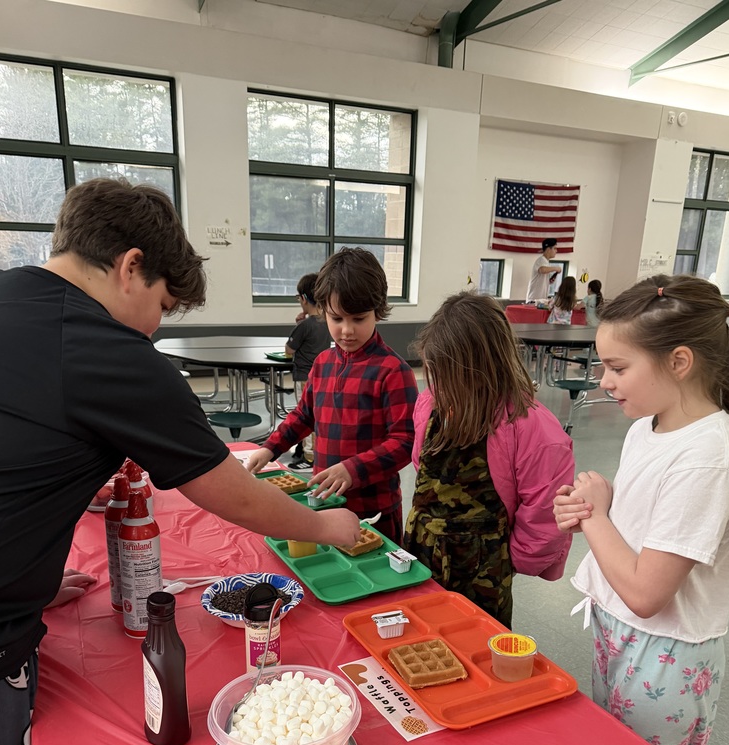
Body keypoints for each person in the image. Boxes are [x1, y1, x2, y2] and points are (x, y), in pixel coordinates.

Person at [0, 178, 361, 745]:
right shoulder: (102, 348)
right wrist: (327, 529)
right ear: (129, 267)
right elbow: (230, 492)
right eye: (161, 302)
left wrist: (33, 573)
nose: (157, 325)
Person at [553, 275, 729, 745]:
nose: (606, 381)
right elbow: (639, 530)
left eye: (618, 368)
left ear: (679, 361)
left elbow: (647, 592)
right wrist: (596, 508)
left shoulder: (708, 457)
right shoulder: (650, 427)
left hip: (666, 654)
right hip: (620, 633)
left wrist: (595, 518)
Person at [404, 292, 574, 629]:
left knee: (474, 643)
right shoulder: (430, 404)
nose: (440, 386)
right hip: (421, 554)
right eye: (435, 374)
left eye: (450, 376)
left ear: (485, 369)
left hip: (483, 571)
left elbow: (546, 512)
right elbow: (421, 467)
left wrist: (514, 560)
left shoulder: (532, 429)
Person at [246, 248, 418, 545]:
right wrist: (270, 448)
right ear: (322, 310)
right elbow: (304, 416)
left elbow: (406, 441)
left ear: (378, 311)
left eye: (359, 318)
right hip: (324, 505)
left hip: (373, 510)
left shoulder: (392, 371)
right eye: (337, 318)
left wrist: (354, 469)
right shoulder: (323, 363)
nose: (347, 330)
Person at [285, 272, 332, 469]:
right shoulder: (327, 321)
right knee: (317, 412)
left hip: (304, 376)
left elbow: (289, 351)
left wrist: (299, 327)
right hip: (323, 376)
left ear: (304, 298)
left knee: (305, 413)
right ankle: (305, 449)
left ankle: (309, 456)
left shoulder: (304, 326)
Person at [526, 238, 560, 303]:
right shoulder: (541, 260)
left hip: (541, 300)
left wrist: (549, 280)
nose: (556, 251)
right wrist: (556, 268)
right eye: (554, 248)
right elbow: (542, 270)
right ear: (548, 249)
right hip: (534, 299)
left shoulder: (546, 262)